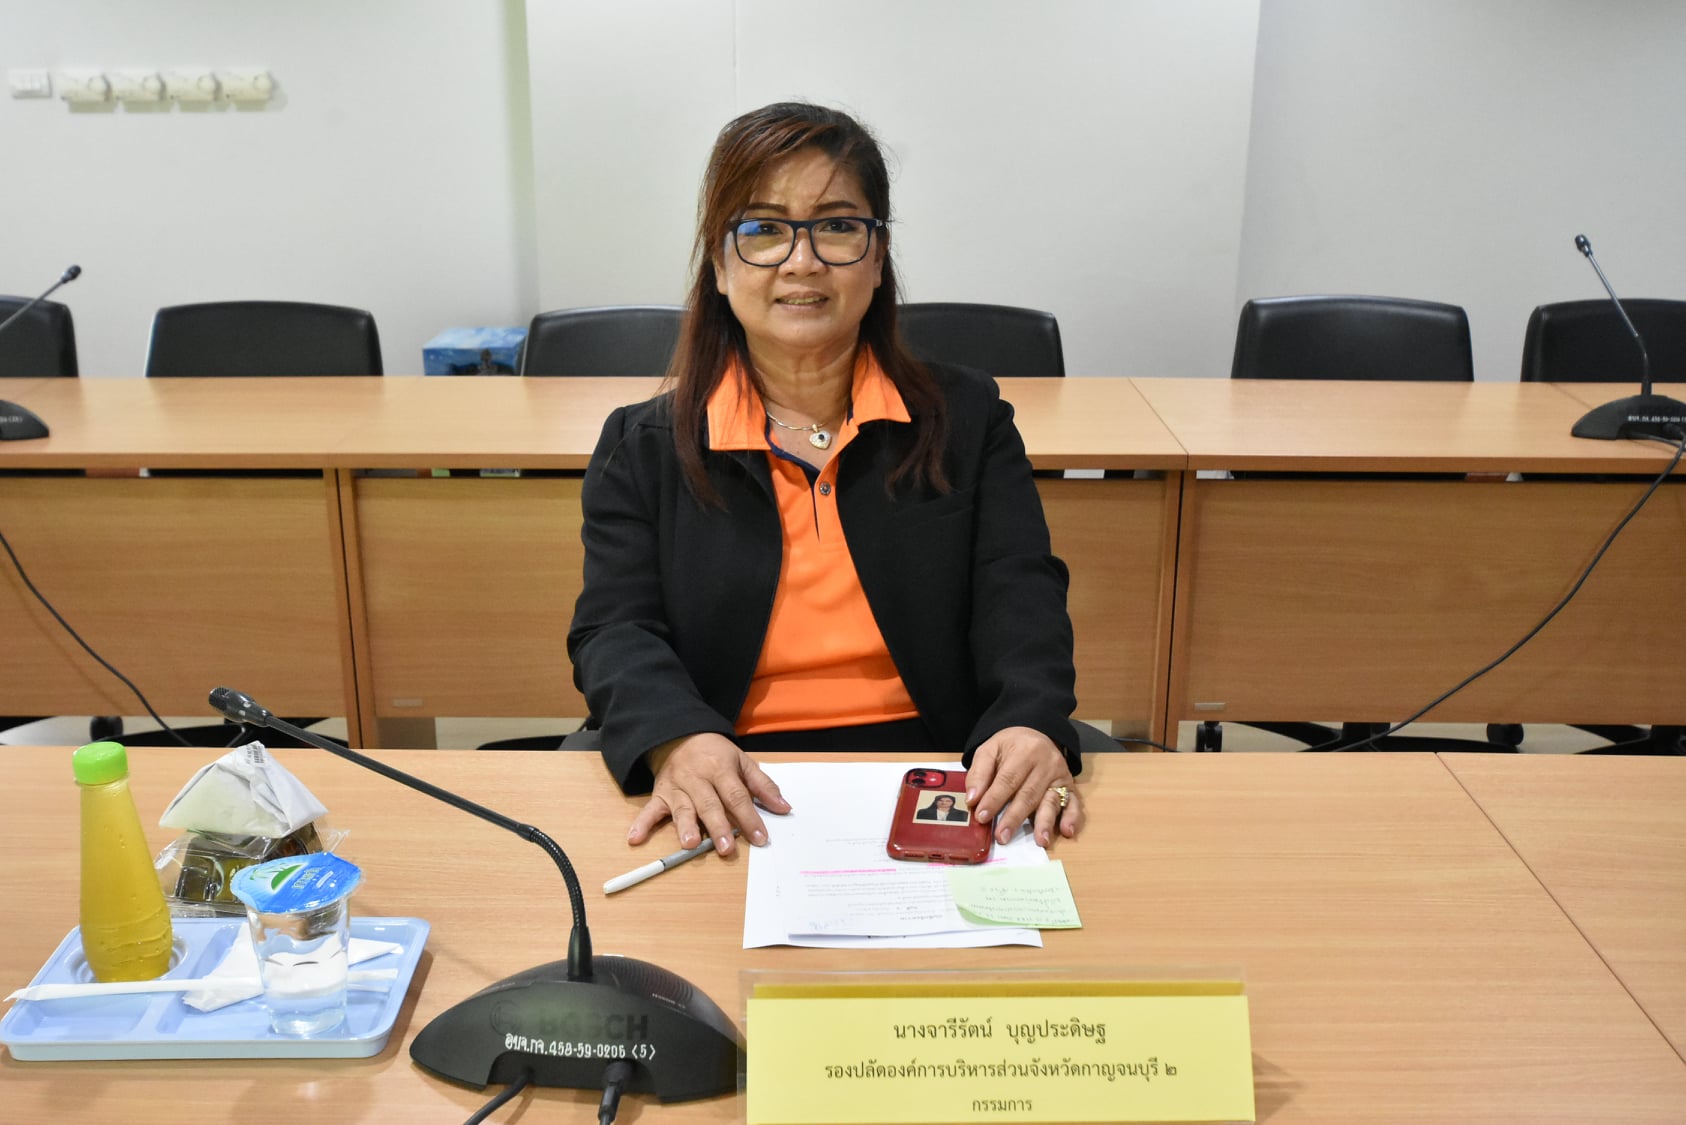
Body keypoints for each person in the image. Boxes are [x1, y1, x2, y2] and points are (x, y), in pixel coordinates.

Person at [568, 101, 1084, 860]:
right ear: (719, 265)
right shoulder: (643, 447)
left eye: (837, 226)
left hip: (941, 767)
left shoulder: (966, 418)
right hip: (728, 770)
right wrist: (676, 737)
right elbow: (614, 629)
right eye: (763, 229)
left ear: (877, 258)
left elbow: (1021, 590)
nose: (801, 261)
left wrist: (1028, 719)